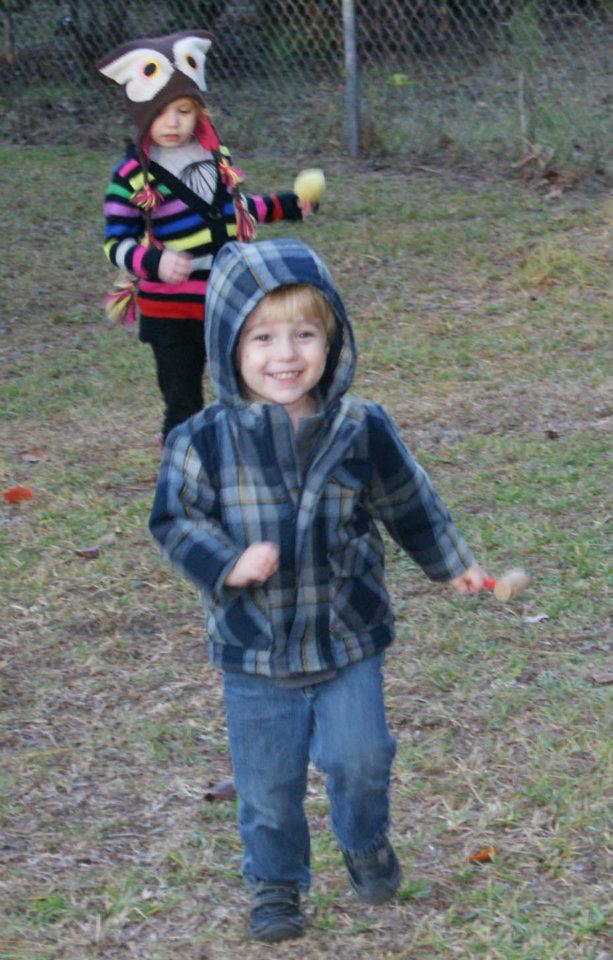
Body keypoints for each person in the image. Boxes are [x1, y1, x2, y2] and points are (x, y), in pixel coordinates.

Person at [149, 237, 488, 942]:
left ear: (332, 339)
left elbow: (407, 501)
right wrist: (227, 562)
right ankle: (275, 884)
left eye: (305, 334)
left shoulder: (361, 427)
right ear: (226, 345)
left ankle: (364, 842)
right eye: (262, 337)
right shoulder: (200, 439)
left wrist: (450, 562)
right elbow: (174, 520)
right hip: (255, 649)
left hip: (347, 635)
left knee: (360, 760)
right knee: (267, 787)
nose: (286, 355)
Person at [97, 30, 313, 440]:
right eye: (160, 112)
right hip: (171, 312)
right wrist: (155, 262)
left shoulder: (214, 157)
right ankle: (182, 460)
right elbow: (115, 243)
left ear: (199, 110)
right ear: (141, 112)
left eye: (184, 110)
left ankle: (250, 453)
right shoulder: (132, 175)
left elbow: (234, 211)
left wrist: (286, 205)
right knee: (183, 404)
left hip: (229, 301)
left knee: (247, 389)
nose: (173, 122)